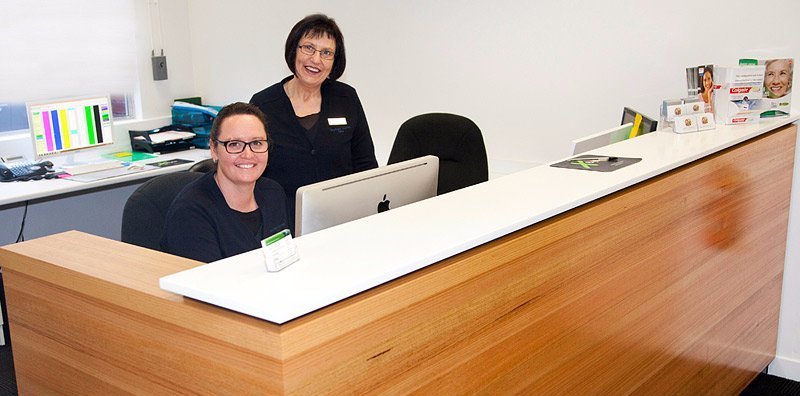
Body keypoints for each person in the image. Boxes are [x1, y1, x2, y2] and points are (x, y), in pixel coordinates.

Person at [250, 14, 378, 218]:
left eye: (326, 52)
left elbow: (365, 165)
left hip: (342, 216)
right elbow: (251, 170)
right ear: (294, 50)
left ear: (334, 61)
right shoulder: (263, 104)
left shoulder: (346, 98)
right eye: (309, 48)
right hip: (282, 220)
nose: (316, 59)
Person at [162, 102, 291, 263]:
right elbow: (206, 283)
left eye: (257, 143)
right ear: (214, 150)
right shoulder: (190, 212)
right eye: (234, 144)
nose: (248, 154)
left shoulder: (273, 193)